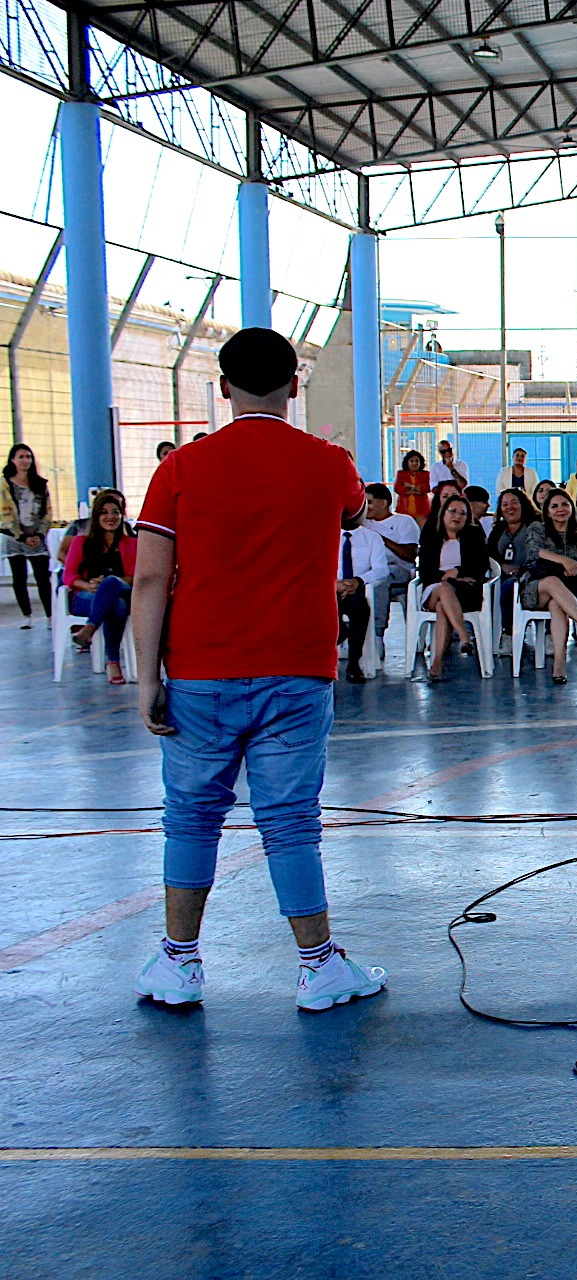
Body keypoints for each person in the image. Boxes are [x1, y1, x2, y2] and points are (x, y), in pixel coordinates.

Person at [130, 327, 386, 1012]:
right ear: (295, 386)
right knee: (291, 819)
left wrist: (148, 676)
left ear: (222, 387)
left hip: (198, 671)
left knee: (189, 815)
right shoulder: (328, 463)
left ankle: (179, 962)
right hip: (297, 670)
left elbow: (151, 580)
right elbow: (358, 513)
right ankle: (318, 965)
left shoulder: (178, 469)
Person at [514, 488, 577, 683]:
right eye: (554, 506)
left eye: (565, 504)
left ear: (572, 508)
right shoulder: (537, 529)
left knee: (557, 604)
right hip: (536, 589)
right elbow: (534, 552)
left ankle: (559, 665)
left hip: (568, 592)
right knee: (553, 582)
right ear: (547, 511)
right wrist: (564, 560)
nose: (560, 509)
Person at [63, 488, 138, 684]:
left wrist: (106, 584)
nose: (110, 517)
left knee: (112, 583)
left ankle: (89, 629)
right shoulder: (81, 542)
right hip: (87, 596)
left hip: (120, 589)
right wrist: (89, 586)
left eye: (115, 512)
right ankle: (112, 661)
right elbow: (69, 576)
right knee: (116, 606)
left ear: (122, 515)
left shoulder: (131, 544)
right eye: (104, 512)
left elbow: (133, 576)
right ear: (96, 516)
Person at [415, 494, 489, 682]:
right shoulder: (431, 532)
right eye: (453, 511)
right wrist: (445, 577)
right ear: (443, 513)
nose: (457, 516)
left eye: (463, 513)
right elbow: (424, 570)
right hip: (434, 588)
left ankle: (437, 663)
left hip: (465, 592)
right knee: (443, 588)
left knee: (443, 606)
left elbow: (480, 567)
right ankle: (464, 636)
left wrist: (458, 571)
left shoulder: (474, 534)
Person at [359, 484, 418, 664]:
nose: (366, 507)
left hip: (398, 569)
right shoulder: (362, 523)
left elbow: (409, 554)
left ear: (383, 503)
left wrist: (381, 540)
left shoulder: (404, 522)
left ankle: (377, 636)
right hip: (368, 568)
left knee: (380, 580)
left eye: (369, 502)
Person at [335, 510, 391, 686]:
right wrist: (336, 584)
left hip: (357, 590)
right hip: (332, 590)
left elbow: (381, 569)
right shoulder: (327, 536)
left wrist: (358, 582)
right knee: (327, 609)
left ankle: (353, 664)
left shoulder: (372, 537)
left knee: (360, 607)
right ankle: (336, 638)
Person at [2, 443, 53, 626]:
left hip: (36, 537)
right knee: (19, 577)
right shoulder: (5, 484)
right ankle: (27, 616)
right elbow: (4, 513)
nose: (25, 461)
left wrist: (39, 534)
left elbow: (47, 512)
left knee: (42, 577)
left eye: (28, 457)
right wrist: (21, 535)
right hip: (14, 537)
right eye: (21, 457)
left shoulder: (40, 484)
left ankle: (49, 616)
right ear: (13, 460)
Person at [487, 487, 533, 651]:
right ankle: (504, 634)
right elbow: (489, 553)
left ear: (523, 505)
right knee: (499, 589)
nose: (510, 507)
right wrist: (502, 566)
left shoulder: (534, 526)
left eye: (514, 502)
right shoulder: (499, 529)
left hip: (530, 577)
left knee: (510, 589)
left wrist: (521, 569)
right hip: (503, 577)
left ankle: (510, 634)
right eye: (505, 504)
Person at [394, 449, 432, 524]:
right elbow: (398, 488)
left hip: (422, 511)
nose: (414, 463)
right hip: (404, 510)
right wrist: (415, 490)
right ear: (407, 462)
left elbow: (427, 488)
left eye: (417, 461)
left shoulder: (426, 474)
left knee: (422, 533)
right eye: (411, 461)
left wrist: (410, 486)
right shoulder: (401, 474)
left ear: (420, 463)